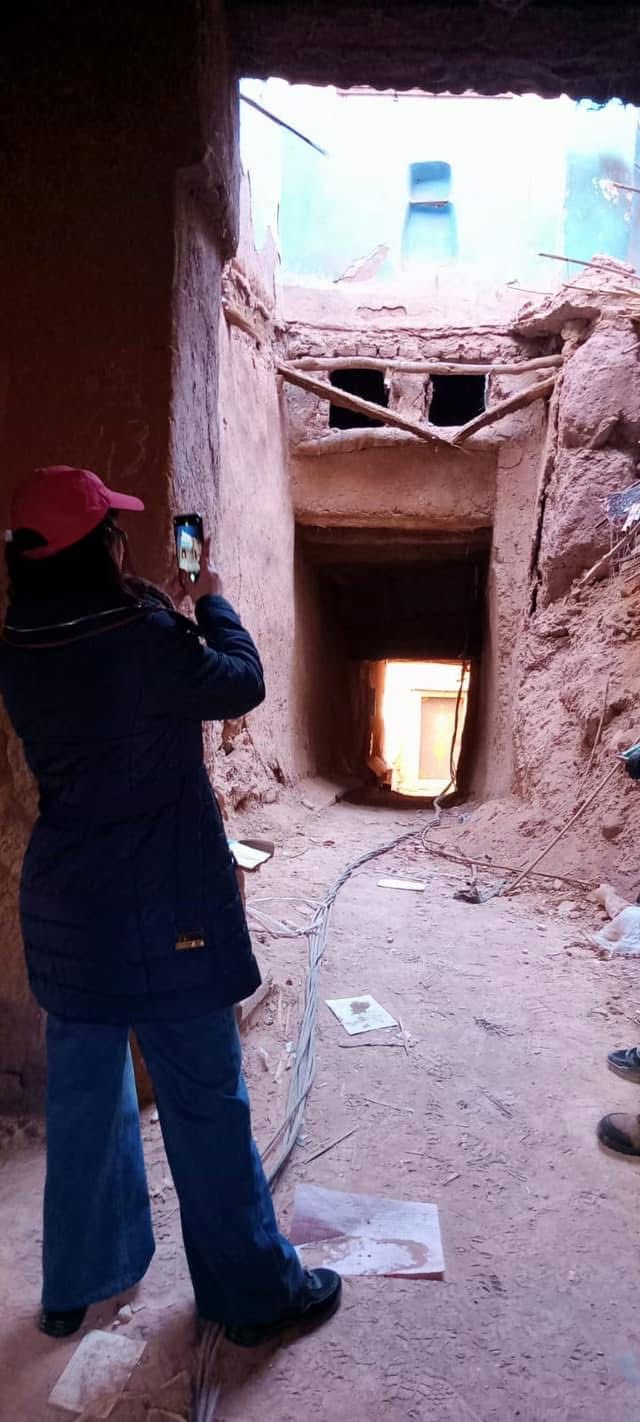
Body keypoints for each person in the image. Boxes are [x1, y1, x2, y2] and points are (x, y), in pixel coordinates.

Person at [0, 465, 341, 1345]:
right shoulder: (144, 634)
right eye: (111, 529)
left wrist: (160, 612)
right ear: (98, 548)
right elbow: (239, 682)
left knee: (84, 1104)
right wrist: (211, 601)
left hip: (68, 916)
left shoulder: (18, 642)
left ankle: (77, 1283)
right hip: (167, 917)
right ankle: (254, 1296)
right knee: (206, 1105)